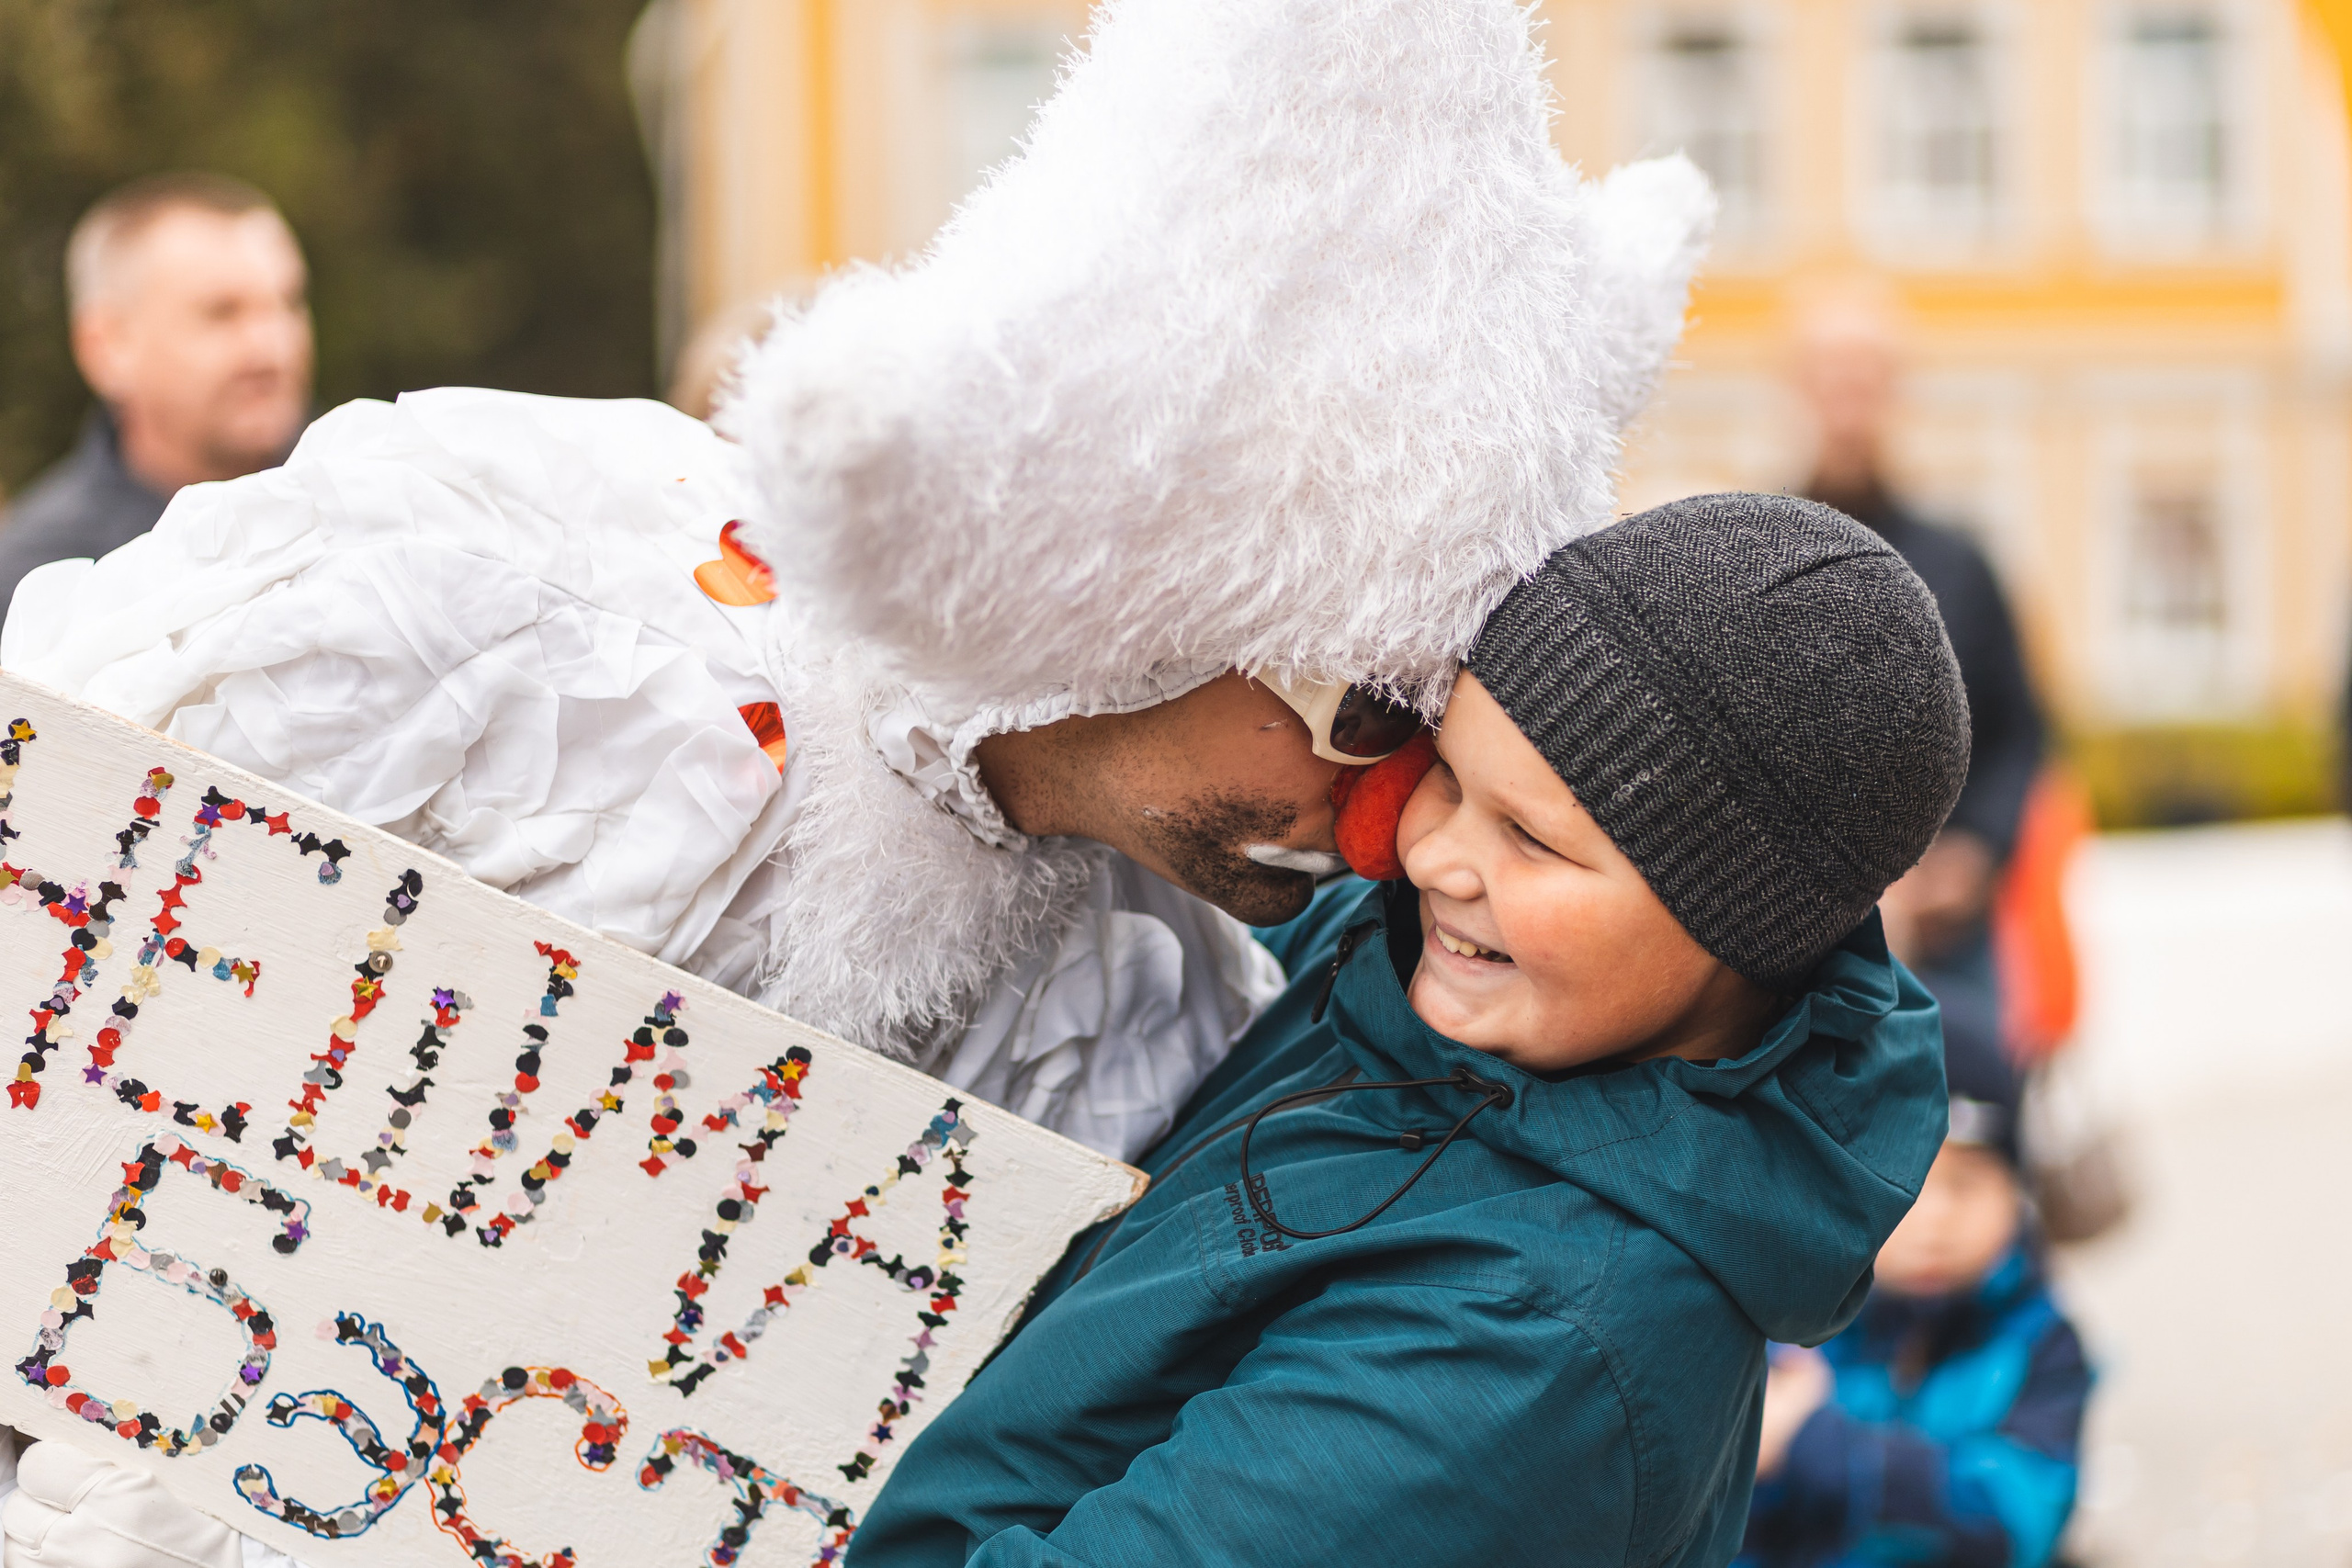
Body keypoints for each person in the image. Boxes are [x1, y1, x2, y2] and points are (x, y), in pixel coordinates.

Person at [2, 0, 1720, 1558]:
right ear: (1165, 594)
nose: (1387, 821)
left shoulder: (1167, 1016)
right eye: (1366, 712)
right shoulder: (485, 583)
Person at [843, 491, 1967, 1566]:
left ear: (1738, 929)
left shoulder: (1537, 1346)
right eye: (1450, 779)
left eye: (1532, 840)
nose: (1426, 855)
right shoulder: (1393, 971)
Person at [1791, 290, 2044, 1069]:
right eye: (1832, 378)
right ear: (1796, 389)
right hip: (1796, 934)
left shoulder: (1962, 562)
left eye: (1867, 379)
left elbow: (2022, 732)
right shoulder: (1747, 554)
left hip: (1952, 933)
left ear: (1897, 393)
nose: (1849, 402)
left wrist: (1977, 852)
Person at [1740, 1033, 2092, 1568]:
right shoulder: (1782, 1326)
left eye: (1967, 1184)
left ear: (2017, 1196)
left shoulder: (2043, 1344)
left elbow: (2020, 1526)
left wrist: (1819, 1443)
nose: (1933, 1218)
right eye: (1904, 1184)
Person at [0, 173, 311, 613]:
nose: (271, 348)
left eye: (289, 303)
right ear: (107, 347)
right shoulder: (34, 589)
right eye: (221, 313)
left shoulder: (387, 500)